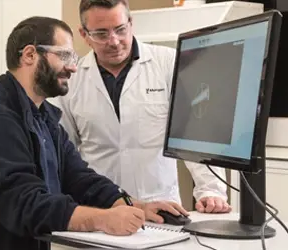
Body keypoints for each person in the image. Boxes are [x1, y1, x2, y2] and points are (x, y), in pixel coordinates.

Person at [0, 16, 189, 250]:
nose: (73, 67)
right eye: (64, 56)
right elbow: (26, 205)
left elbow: (79, 177)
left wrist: (134, 205)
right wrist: (103, 219)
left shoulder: (43, 117)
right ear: (30, 55)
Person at [51, 0, 231, 213]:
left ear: (131, 23)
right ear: (84, 35)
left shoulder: (168, 63)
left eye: (120, 29)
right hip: (102, 210)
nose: (114, 41)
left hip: (162, 206)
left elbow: (196, 132)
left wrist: (211, 190)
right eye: (101, 34)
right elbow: (64, 151)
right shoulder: (72, 79)